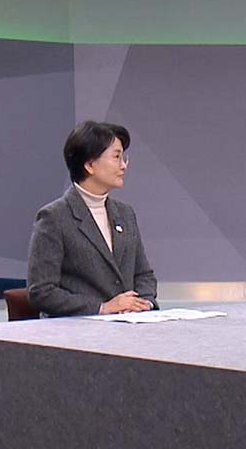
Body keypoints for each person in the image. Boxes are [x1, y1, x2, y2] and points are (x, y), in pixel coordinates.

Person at [26, 121, 158, 317]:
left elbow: (143, 274)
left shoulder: (125, 213)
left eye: (124, 158)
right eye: (116, 157)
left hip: (129, 326)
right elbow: (41, 291)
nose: (123, 165)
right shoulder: (54, 217)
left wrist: (143, 303)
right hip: (77, 329)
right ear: (89, 165)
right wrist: (102, 307)